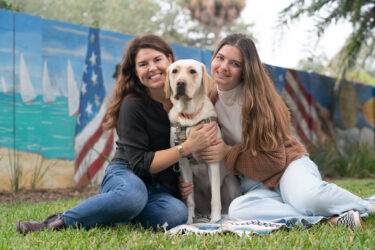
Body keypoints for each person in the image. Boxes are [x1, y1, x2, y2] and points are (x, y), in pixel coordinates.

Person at [17, 34, 218, 234]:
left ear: (170, 60)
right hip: (127, 175)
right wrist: (188, 147)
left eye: (157, 60)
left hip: (159, 189)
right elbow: (141, 162)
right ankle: (55, 223)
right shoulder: (133, 105)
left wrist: (181, 184)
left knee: (175, 214)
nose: (152, 68)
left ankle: (117, 214)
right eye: (143, 64)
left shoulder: (188, 102)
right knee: (131, 196)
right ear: (136, 71)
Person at [183, 33, 375, 229]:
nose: (223, 67)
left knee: (307, 198)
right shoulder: (209, 102)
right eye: (220, 58)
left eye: (235, 63)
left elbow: (273, 161)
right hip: (254, 183)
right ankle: (327, 221)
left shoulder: (260, 102)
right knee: (239, 209)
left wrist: (228, 152)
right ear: (213, 58)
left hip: (287, 167)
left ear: (245, 70)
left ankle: (368, 206)